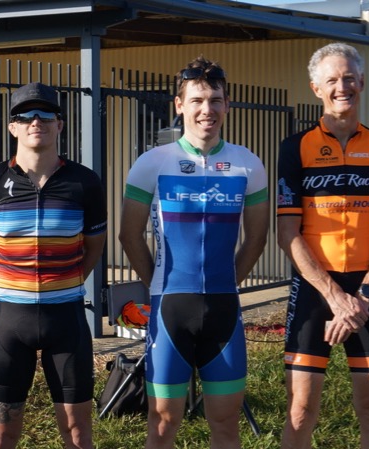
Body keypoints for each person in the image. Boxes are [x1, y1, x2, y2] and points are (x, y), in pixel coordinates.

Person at [118, 56, 269, 449]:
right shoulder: (152, 163)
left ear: (227, 105)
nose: (207, 110)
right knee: (162, 423)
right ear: (180, 105)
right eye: (198, 100)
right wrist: (158, 285)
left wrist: (227, 283)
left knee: (226, 423)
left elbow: (257, 238)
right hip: (170, 309)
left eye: (215, 100)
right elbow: (128, 235)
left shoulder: (248, 164)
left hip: (224, 309)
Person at [0, 82, 107, 449]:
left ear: (60, 124)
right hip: (9, 322)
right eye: (25, 115)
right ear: (12, 127)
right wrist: (8, 283)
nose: (35, 121)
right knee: (1, 437)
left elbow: (93, 248)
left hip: (67, 320)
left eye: (46, 114)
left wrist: (66, 281)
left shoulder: (84, 182)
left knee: (78, 434)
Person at [276, 43, 369, 449]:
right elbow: (287, 232)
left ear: (362, 82)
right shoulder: (295, 147)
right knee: (300, 409)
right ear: (316, 88)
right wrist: (335, 297)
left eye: (349, 77)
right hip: (315, 290)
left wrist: (362, 297)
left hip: (367, 291)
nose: (341, 86)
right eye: (331, 80)